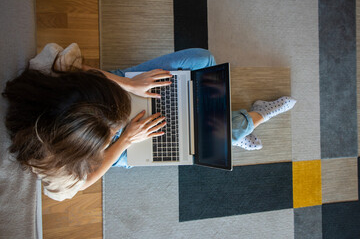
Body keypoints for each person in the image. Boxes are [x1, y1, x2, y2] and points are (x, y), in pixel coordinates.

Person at [2, 43, 296, 201]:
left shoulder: (50, 70)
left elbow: (76, 69)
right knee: (210, 136)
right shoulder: (57, 170)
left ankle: (230, 127)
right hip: (120, 150)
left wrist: (128, 85)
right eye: (111, 131)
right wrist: (124, 140)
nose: (123, 122)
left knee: (203, 60)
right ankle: (254, 117)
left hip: (115, 91)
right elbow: (87, 179)